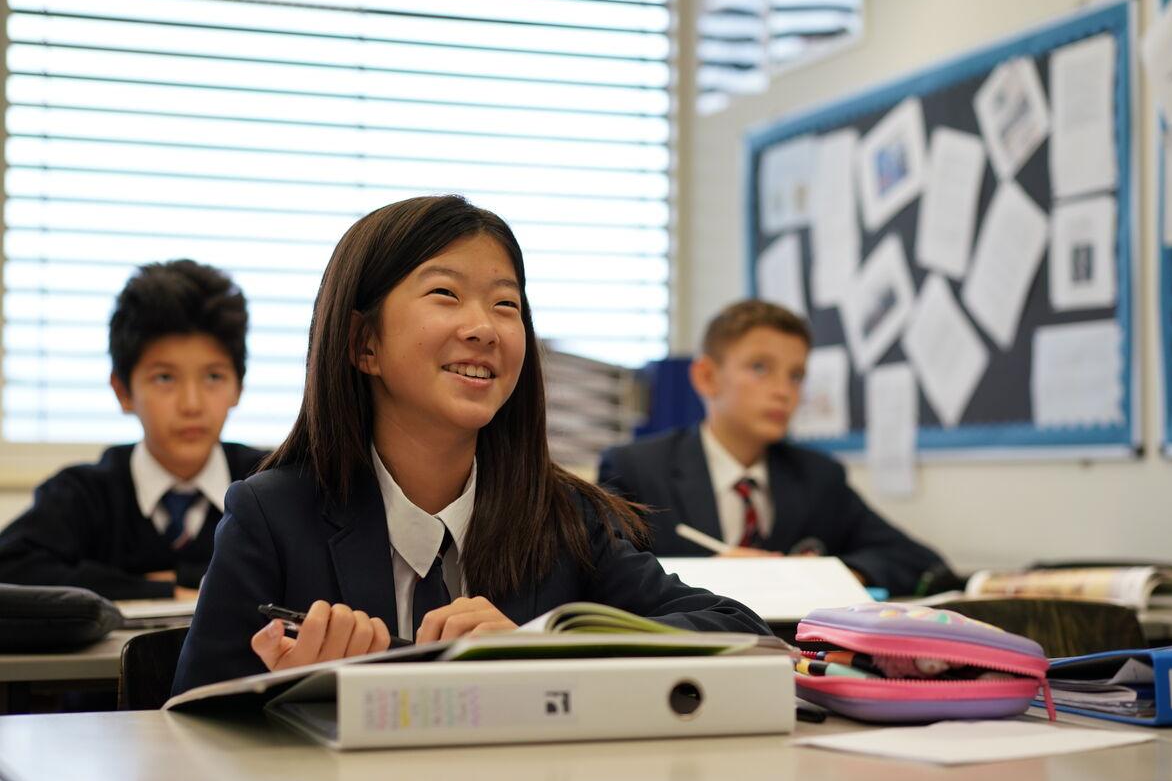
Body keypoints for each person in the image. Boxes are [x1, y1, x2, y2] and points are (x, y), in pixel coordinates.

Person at [172, 196, 766, 694]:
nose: (484, 327)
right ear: (363, 344)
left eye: (506, 304)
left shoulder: (562, 518)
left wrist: (543, 649)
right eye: (446, 295)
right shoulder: (272, 515)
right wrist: (286, 696)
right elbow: (184, 729)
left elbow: (739, 630)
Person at [597, 299, 948, 597]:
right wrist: (712, 575)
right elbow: (604, 577)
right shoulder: (636, 469)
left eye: (796, 375)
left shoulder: (817, 477)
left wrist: (837, 573)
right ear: (707, 377)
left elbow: (920, 561)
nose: (784, 390)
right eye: (760, 368)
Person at [0, 260, 266, 600]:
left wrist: (185, 577)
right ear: (123, 391)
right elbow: (11, 568)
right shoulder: (83, 494)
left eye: (213, 376)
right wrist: (162, 589)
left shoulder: (268, 482)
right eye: (164, 378)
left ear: (238, 387)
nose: (192, 404)